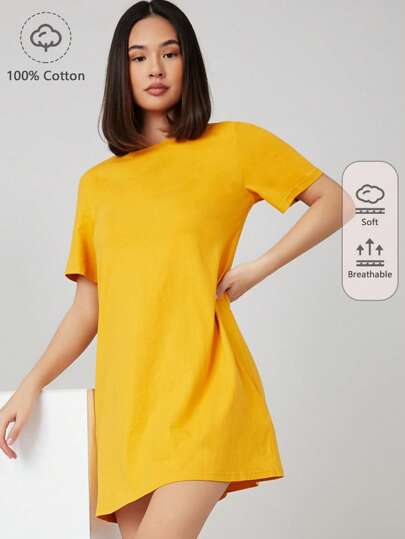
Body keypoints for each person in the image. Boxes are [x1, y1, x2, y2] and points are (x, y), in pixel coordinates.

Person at [0, 1, 355, 538]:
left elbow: (336, 201)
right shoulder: (97, 185)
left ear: (189, 62)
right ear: (121, 71)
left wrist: (258, 268)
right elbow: (88, 310)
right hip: (128, 409)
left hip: (204, 390)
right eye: (138, 57)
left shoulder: (235, 144)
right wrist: (31, 384)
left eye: (170, 53)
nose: (155, 69)